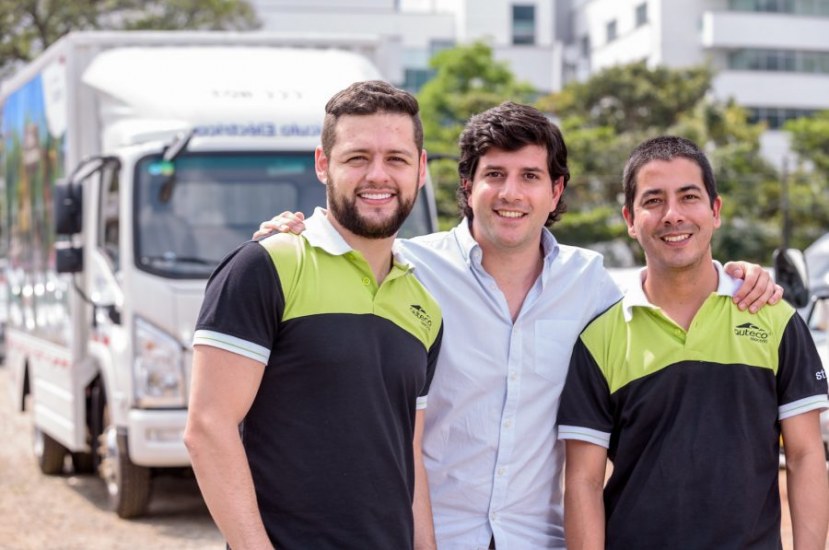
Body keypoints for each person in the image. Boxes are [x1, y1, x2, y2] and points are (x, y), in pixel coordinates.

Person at [256, 103, 782, 549]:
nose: (512, 193)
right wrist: (288, 232)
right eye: (494, 175)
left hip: (540, 538)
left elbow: (668, 286)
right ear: (468, 186)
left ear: (555, 192)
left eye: (530, 177)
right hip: (430, 535)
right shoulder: (406, 269)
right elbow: (337, 251)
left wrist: (738, 277)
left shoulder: (592, 284)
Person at [184, 80, 444, 550]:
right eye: (357, 157)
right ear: (323, 164)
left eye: (397, 159)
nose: (378, 175)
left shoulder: (424, 303)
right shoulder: (266, 265)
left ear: (421, 169)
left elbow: (407, 453)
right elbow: (207, 427)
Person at [558, 135, 829, 549]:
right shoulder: (599, 339)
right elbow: (583, 481)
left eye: (688, 197)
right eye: (653, 201)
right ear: (630, 218)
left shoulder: (774, 318)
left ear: (715, 210)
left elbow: (806, 456)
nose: (673, 215)